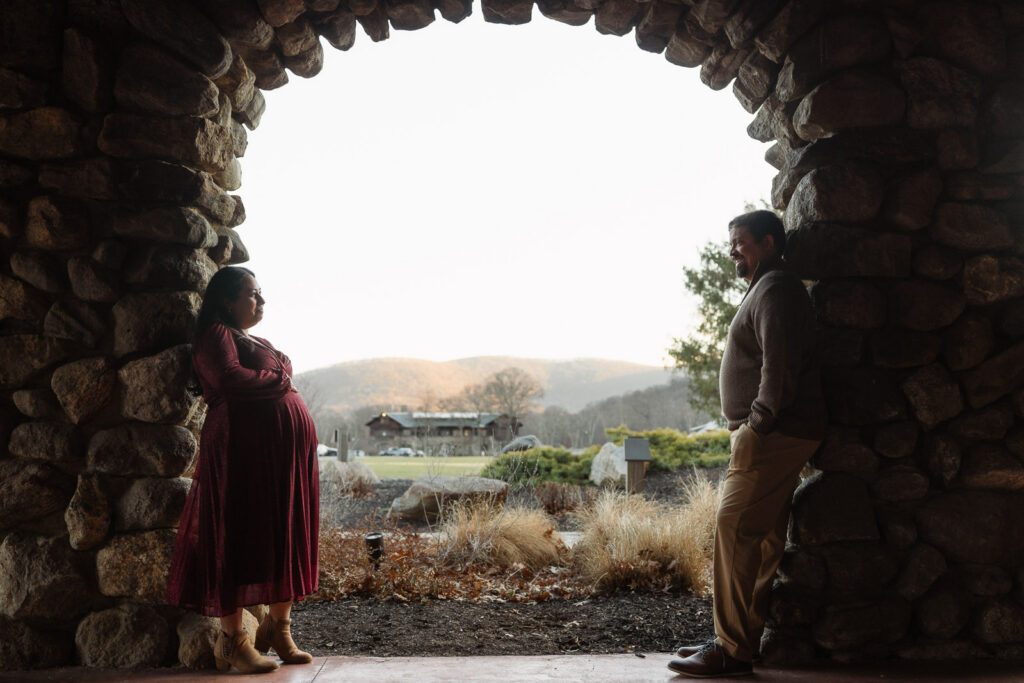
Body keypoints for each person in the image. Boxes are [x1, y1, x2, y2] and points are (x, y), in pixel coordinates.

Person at [669, 210, 825, 678]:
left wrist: (755, 426)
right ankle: (740, 640)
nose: (733, 249)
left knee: (733, 528)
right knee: (759, 540)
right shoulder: (768, 287)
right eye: (731, 242)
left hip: (773, 432)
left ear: (770, 241)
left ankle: (731, 650)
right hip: (777, 431)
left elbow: (778, 368)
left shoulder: (775, 288)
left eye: (741, 241)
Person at [167, 266, 319, 674]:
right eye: (252, 294)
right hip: (238, 450)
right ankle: (233, 642)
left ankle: (278, 628)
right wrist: (279, 378)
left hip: (277, 457)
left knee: (283, 533)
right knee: (233, 535)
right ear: (227, 300)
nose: (261, 301)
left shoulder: (254, 339)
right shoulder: (215, 335)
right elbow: (230, 379)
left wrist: (277, 377)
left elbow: (274, 373)